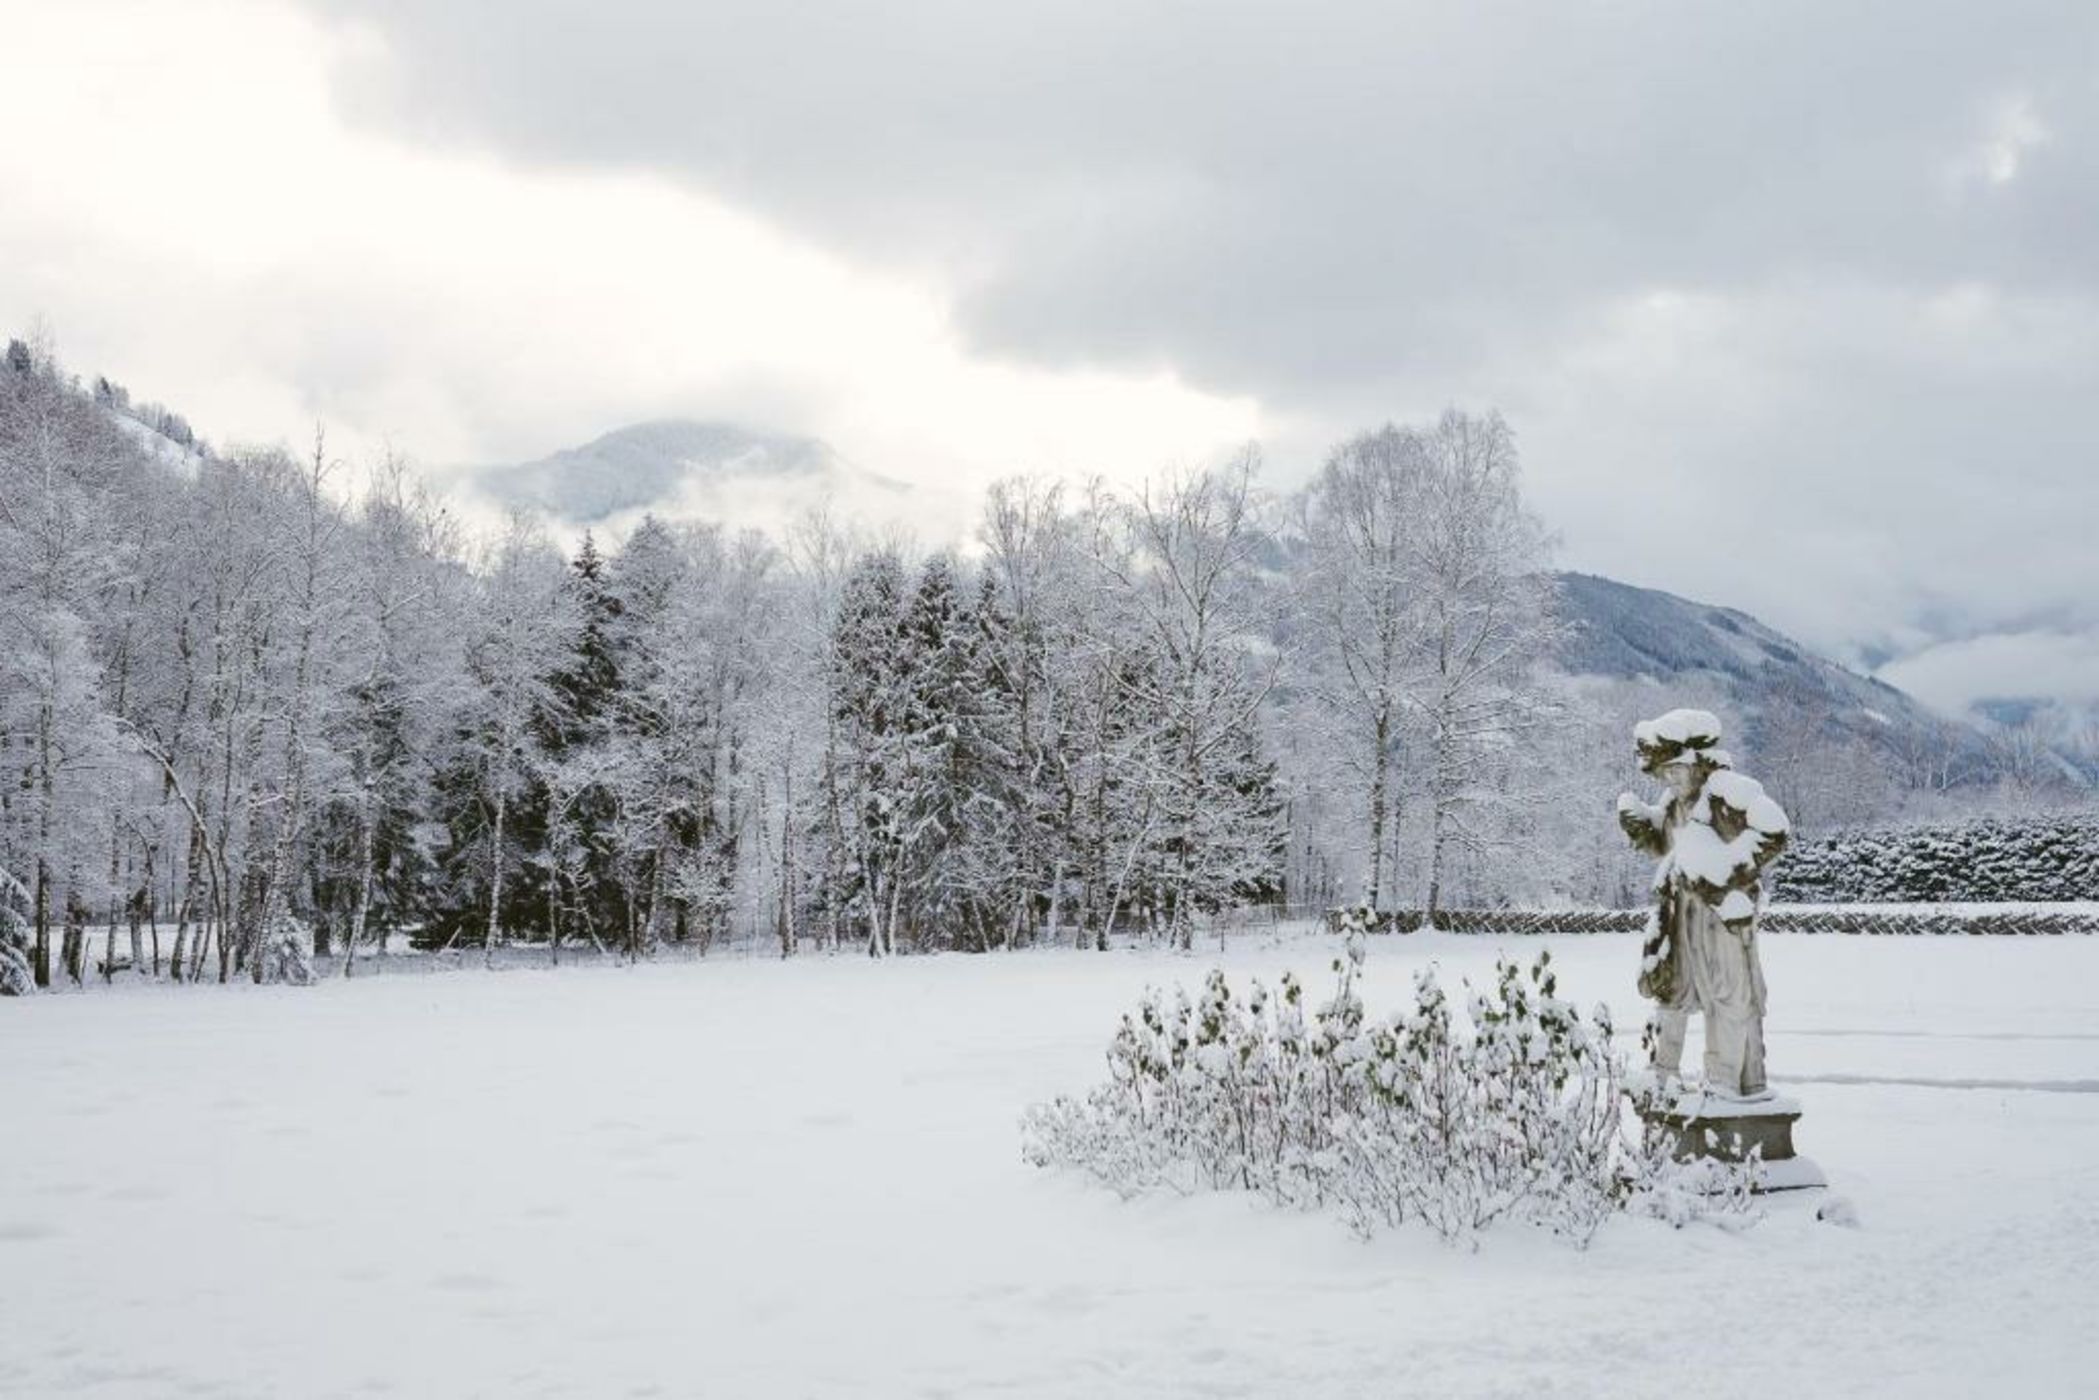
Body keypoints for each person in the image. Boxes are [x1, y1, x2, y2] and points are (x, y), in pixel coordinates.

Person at [1616, 709, 1790, 1100]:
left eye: (1676, 769)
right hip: (1680, 915)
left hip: (1721, 917)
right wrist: (1642, 825)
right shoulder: (1679, 801)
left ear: (1698, 764)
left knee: (1728, 996)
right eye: (1665, 772)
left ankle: (1724, 1081)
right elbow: (1667, 844)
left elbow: (1775, 831)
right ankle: (1663, 1073)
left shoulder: (1727, 792)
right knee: (1672, 991)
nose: (1670, 778)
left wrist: (1725, 870)